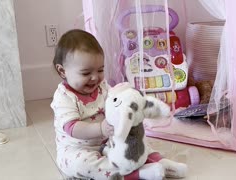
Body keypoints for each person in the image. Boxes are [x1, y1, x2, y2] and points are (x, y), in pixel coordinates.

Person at [50, 29, 187, 179]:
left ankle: (160, 162)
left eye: (100, 70)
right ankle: (137, 174)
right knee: (80, 165)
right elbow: (72, 128)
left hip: (110, 140)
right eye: (86, 73)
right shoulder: (63, 97)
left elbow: (116, 101)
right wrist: (100, 128)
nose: (95, 77)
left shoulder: (102, 86)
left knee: (134, 141)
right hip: (78, 148)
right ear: (63, 71)